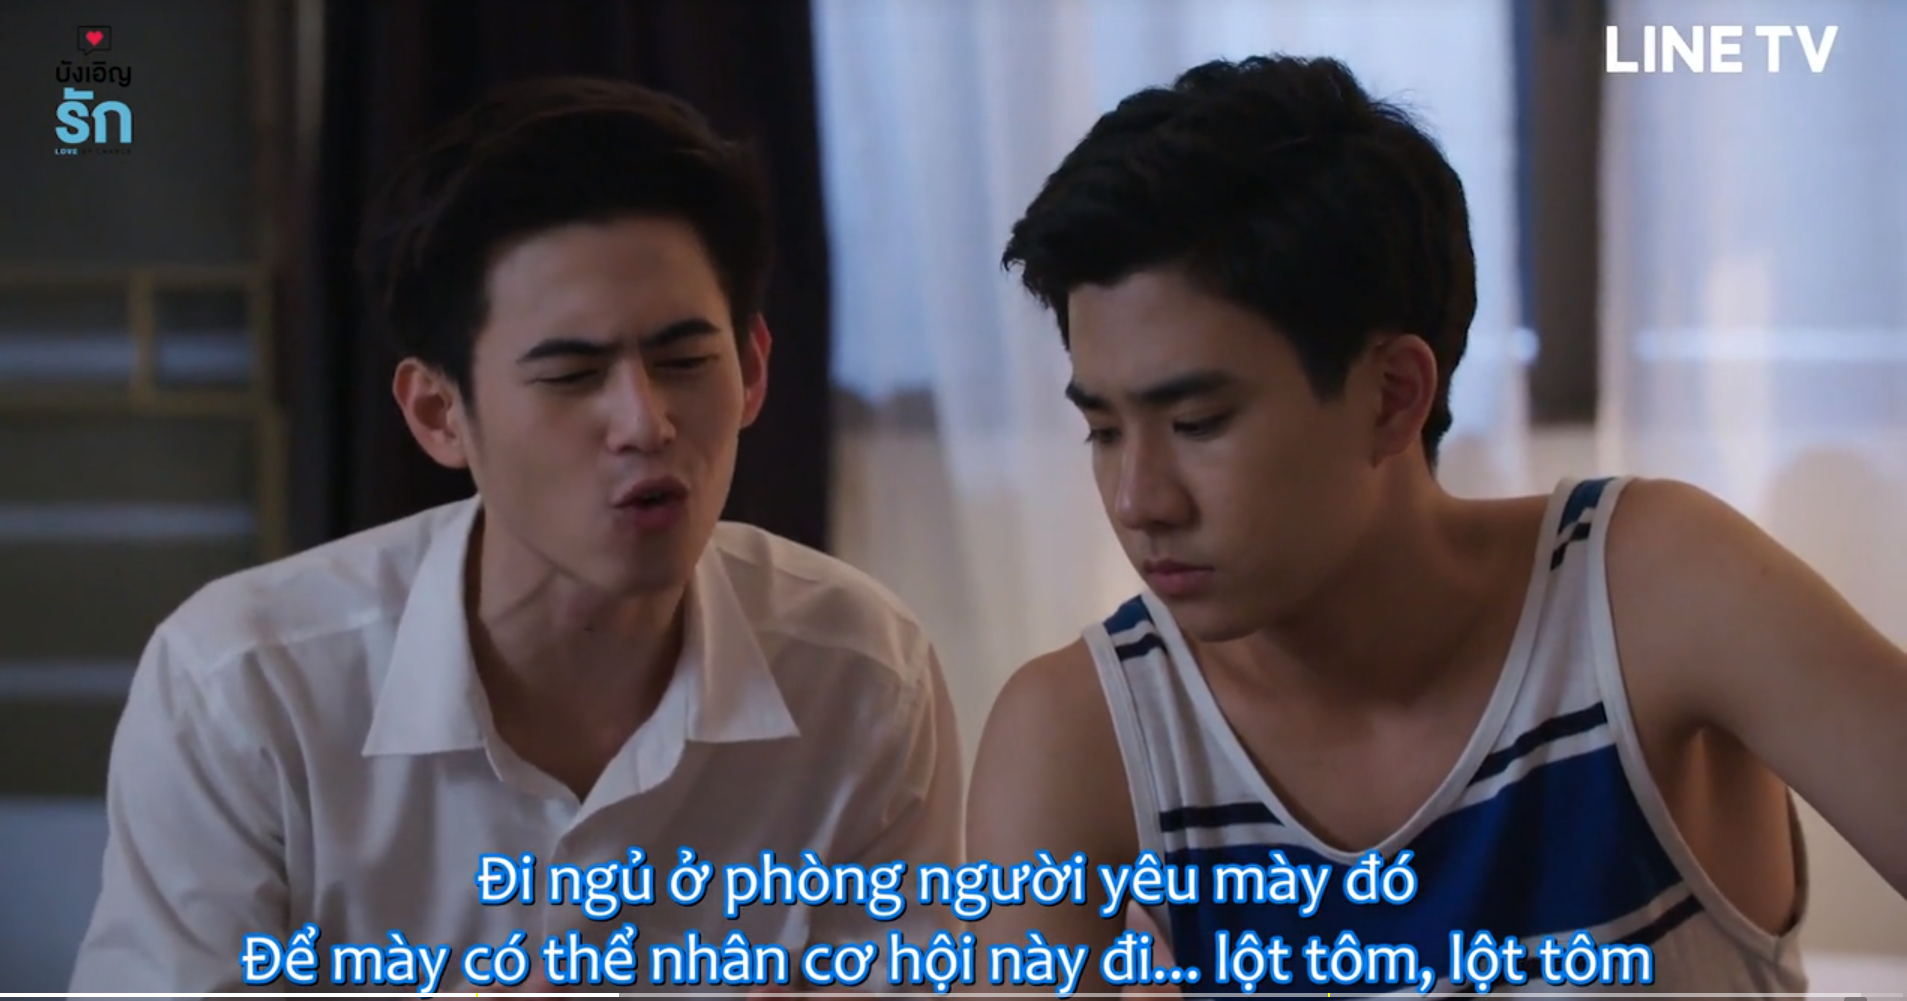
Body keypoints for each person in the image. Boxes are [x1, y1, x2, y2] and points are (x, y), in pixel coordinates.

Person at [968, 54, 1907, 997]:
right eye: (1102, 430)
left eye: (1198, 422)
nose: (1138, 499)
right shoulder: (1084, 731)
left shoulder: (1651, 593)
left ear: (1391, 394)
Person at [69, 77, 962, 995]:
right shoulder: (244, 685)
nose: (644, 423)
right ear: (438, 413)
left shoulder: (858, 673)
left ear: (753, 370)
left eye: (685, 360)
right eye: (572, 375)